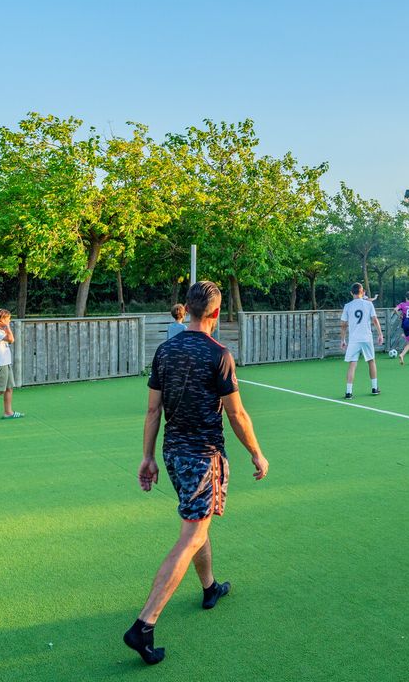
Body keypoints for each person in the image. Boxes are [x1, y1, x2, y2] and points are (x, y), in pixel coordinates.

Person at [123, 281, 269, 666]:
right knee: (192, 535)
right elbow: (237, 414)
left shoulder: (165, 350)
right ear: (216, 313)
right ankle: (144, 624)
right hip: (204, 457)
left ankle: (209, 587)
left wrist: (147, 457)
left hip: (172, 454)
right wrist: (257, 453)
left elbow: (152, 410)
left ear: (186, 308)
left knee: (196, 522)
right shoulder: (219, 354)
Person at [340, 283, 384, 397]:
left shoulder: (347, 306)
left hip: (354, 339)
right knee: (371, 361)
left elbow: (343, 325)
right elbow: (375, 320)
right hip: (366, 337)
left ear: (351, 293)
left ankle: (348, 392)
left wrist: (343, 340)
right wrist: (380, 334)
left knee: (352, 364)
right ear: (362, 291)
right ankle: (374, 388)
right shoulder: (369, 304)